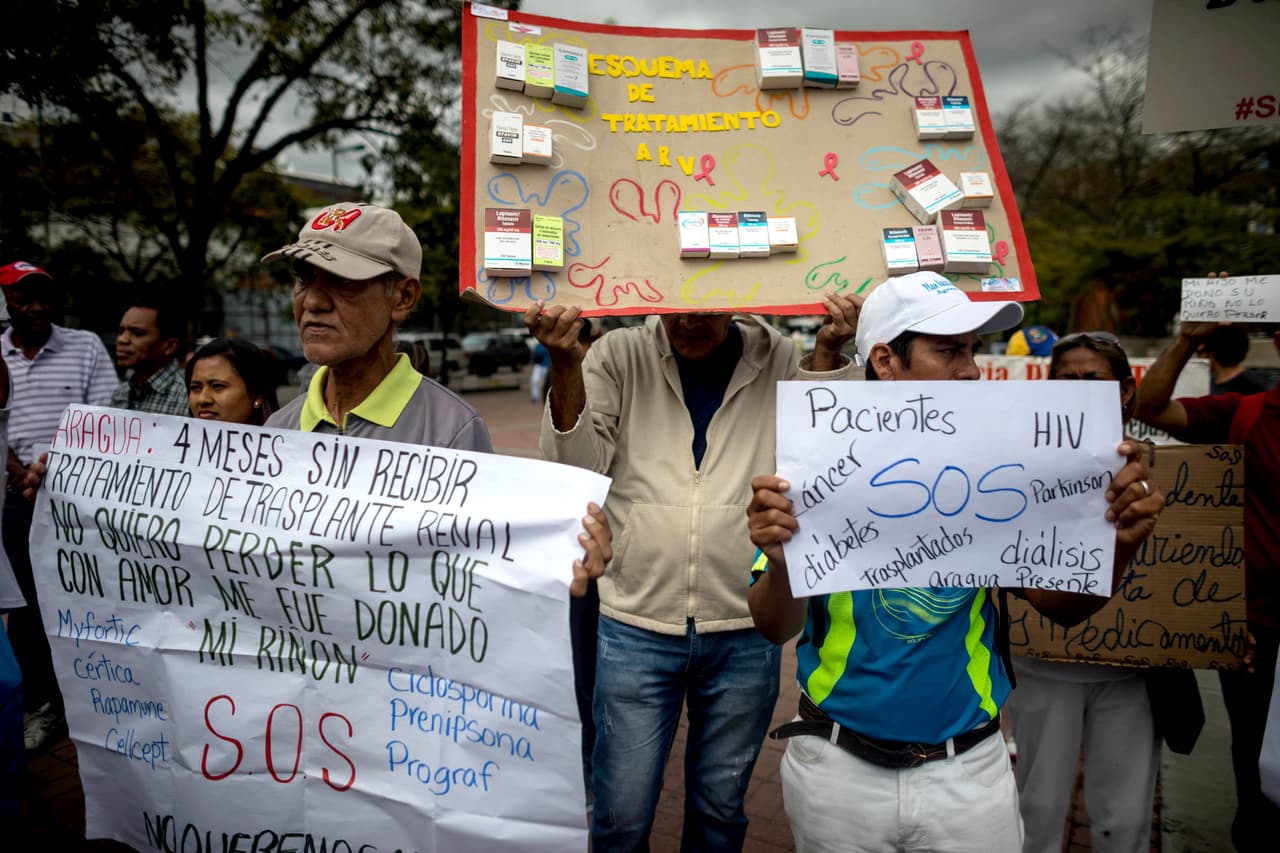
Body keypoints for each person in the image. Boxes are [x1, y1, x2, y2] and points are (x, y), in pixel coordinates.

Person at [746, 272, 1164, 853]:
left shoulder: (1000, 466)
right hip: (836, 769)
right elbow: (774, 627)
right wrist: (782, 560)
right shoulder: (819, 462)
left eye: (972, 350)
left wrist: (1121, 542)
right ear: (886, 362)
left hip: (969, 773)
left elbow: (1061, 608)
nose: (970, 370)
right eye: (948, 351)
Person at [525, 290, 859, 851]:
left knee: (719, 813)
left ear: (738, 297)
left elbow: (827, 459)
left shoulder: (782, 357)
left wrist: (828, 355)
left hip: (744, 626)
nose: (689, 319)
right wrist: (565, 365)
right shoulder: (618, 355)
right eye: (676, 303)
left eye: (707, 305)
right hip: (634, 622)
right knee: (621, 814)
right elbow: (577, 474)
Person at [261, 201, 608, 602]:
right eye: (303, 278)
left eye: (343, 281)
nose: (313, 302)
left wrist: (559, 550)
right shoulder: (277, 432)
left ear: (403, 297)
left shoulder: (451, 430)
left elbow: (485, 564)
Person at [1009, 330, 1181, 853]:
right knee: (1036, 809)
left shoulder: (1170, 469)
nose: (1080, 387)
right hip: (1044, 663)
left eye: (1093, 378)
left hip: (1134, 671)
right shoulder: (1020, 464)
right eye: (1067, 379)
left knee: (1122, 818)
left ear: (1125, 390)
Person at [1134, 272, 1280, 853]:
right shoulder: (1250, 413)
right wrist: (1188, 338)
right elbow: (1150, 407)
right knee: (1257, 767)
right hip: (1258, 635)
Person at [0, 260, 117, 753]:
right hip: (16, 500)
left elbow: (104, 416)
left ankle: (93, 698)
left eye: (44, 297)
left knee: (84, 599)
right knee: (26, 607)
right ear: (5, 301)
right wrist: (17, 471)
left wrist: (54, 468)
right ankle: (44, 704)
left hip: (77, 501)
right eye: (23, 298)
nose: (36, 307)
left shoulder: (85, 346)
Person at [111, 290, 189, 415]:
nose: (122, 339)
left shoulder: (189, 396)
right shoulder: (120, 394)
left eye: (137, 333)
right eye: (121, 331)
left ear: (170, 346)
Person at [186, 337, 279, 425]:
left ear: (257, 396)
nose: (203, 399)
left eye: (217, 386)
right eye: (195, 388)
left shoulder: (283, 436)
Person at [1202, 324, 1274, 396]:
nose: (1202, 356)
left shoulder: (1253, 387)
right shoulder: (1209, 382)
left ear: (1212, 353)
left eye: (1202, 352)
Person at [530, 338, 551, 403]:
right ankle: (535, 397)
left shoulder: (549, 344)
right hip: (538, 366)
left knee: (547, 383)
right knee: (534, 380)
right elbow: (535, 355)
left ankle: (548, 397)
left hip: (547, 366)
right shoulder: (538, 345)